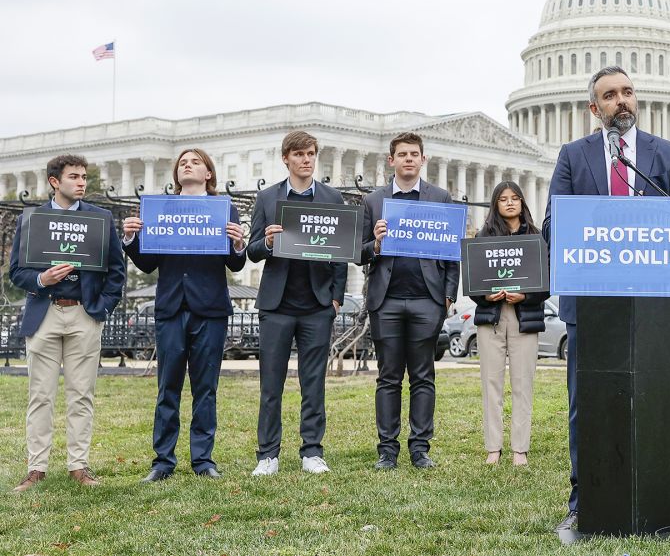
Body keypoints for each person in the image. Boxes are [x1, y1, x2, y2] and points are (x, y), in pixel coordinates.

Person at [542, 65, 670, 531]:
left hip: (649, 301)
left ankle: (654, 493)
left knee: (650, 396)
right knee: (583, 403)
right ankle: (581, 496)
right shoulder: (573, 155)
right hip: (592, 303)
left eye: (628, 92)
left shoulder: (665, 154)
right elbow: (553, 226)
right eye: (610, 95)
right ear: (595, 108)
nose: (622, 101)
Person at [121, 148, 247, 482]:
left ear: (208, 173)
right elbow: (148, 263)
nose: (186, 165)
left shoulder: (224, 209)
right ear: (176, 174)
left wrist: (238, 245)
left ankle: (203, 460)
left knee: (206, 388)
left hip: (210, 310)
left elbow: (235, 263)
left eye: (195, 162)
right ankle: (163, 461)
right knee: (168, 387)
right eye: (181, 163)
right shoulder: (161, 211)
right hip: (172, 308)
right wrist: (131, 239)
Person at [9, 154, 125, 492]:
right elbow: (17, 271)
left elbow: (116, 271)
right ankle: (36, 468)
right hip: (44, 312)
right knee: (40, 395)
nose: (81, 182)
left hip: (83, 313)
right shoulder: (32, 220)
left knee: (81, 393)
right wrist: (42, 278)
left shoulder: (100, 218)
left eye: (84, 177)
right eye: (74, 176)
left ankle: (79, 465)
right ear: (54, 182)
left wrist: (100, 308)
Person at [247, 130, 347, 476]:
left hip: (317, 305)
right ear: (286, 158)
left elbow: (341, 255)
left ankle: (312, 451)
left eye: (311, 154)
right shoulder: (266, 198)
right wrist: (268, 241)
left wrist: (335, 299)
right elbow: (251, 250)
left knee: (313, 382)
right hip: (276, 305)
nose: (306, 160)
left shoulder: (333, 198)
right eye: (300, 154)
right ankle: (268, 455)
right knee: (270, 384)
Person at [360, 132, 459, 470]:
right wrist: (375, 243)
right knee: (388, 377)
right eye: (402, 154)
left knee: (422, 376)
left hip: (426, 300)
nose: (408, 159)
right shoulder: (373, 201)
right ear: (391, 160)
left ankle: (420, 448)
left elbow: (452, 255)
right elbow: (357, 253)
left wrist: (447, 297)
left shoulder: (441, 198)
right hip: (386, 300)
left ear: (423, 159)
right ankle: (387, 450)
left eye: (414, 154)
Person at [472, 181, 548, 466]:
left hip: (524, 318)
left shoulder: (537, 238)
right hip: (491, 317)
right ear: (496, 204)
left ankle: (520, 449)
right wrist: (485, 295)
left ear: (522, 203)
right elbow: (473, 282)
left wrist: (526, 295)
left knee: (522, 383)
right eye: (503, 199)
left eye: (515, 198)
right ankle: (493, 447)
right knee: (491, 383)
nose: (510, 203)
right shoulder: (484, 236)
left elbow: (547, 282)